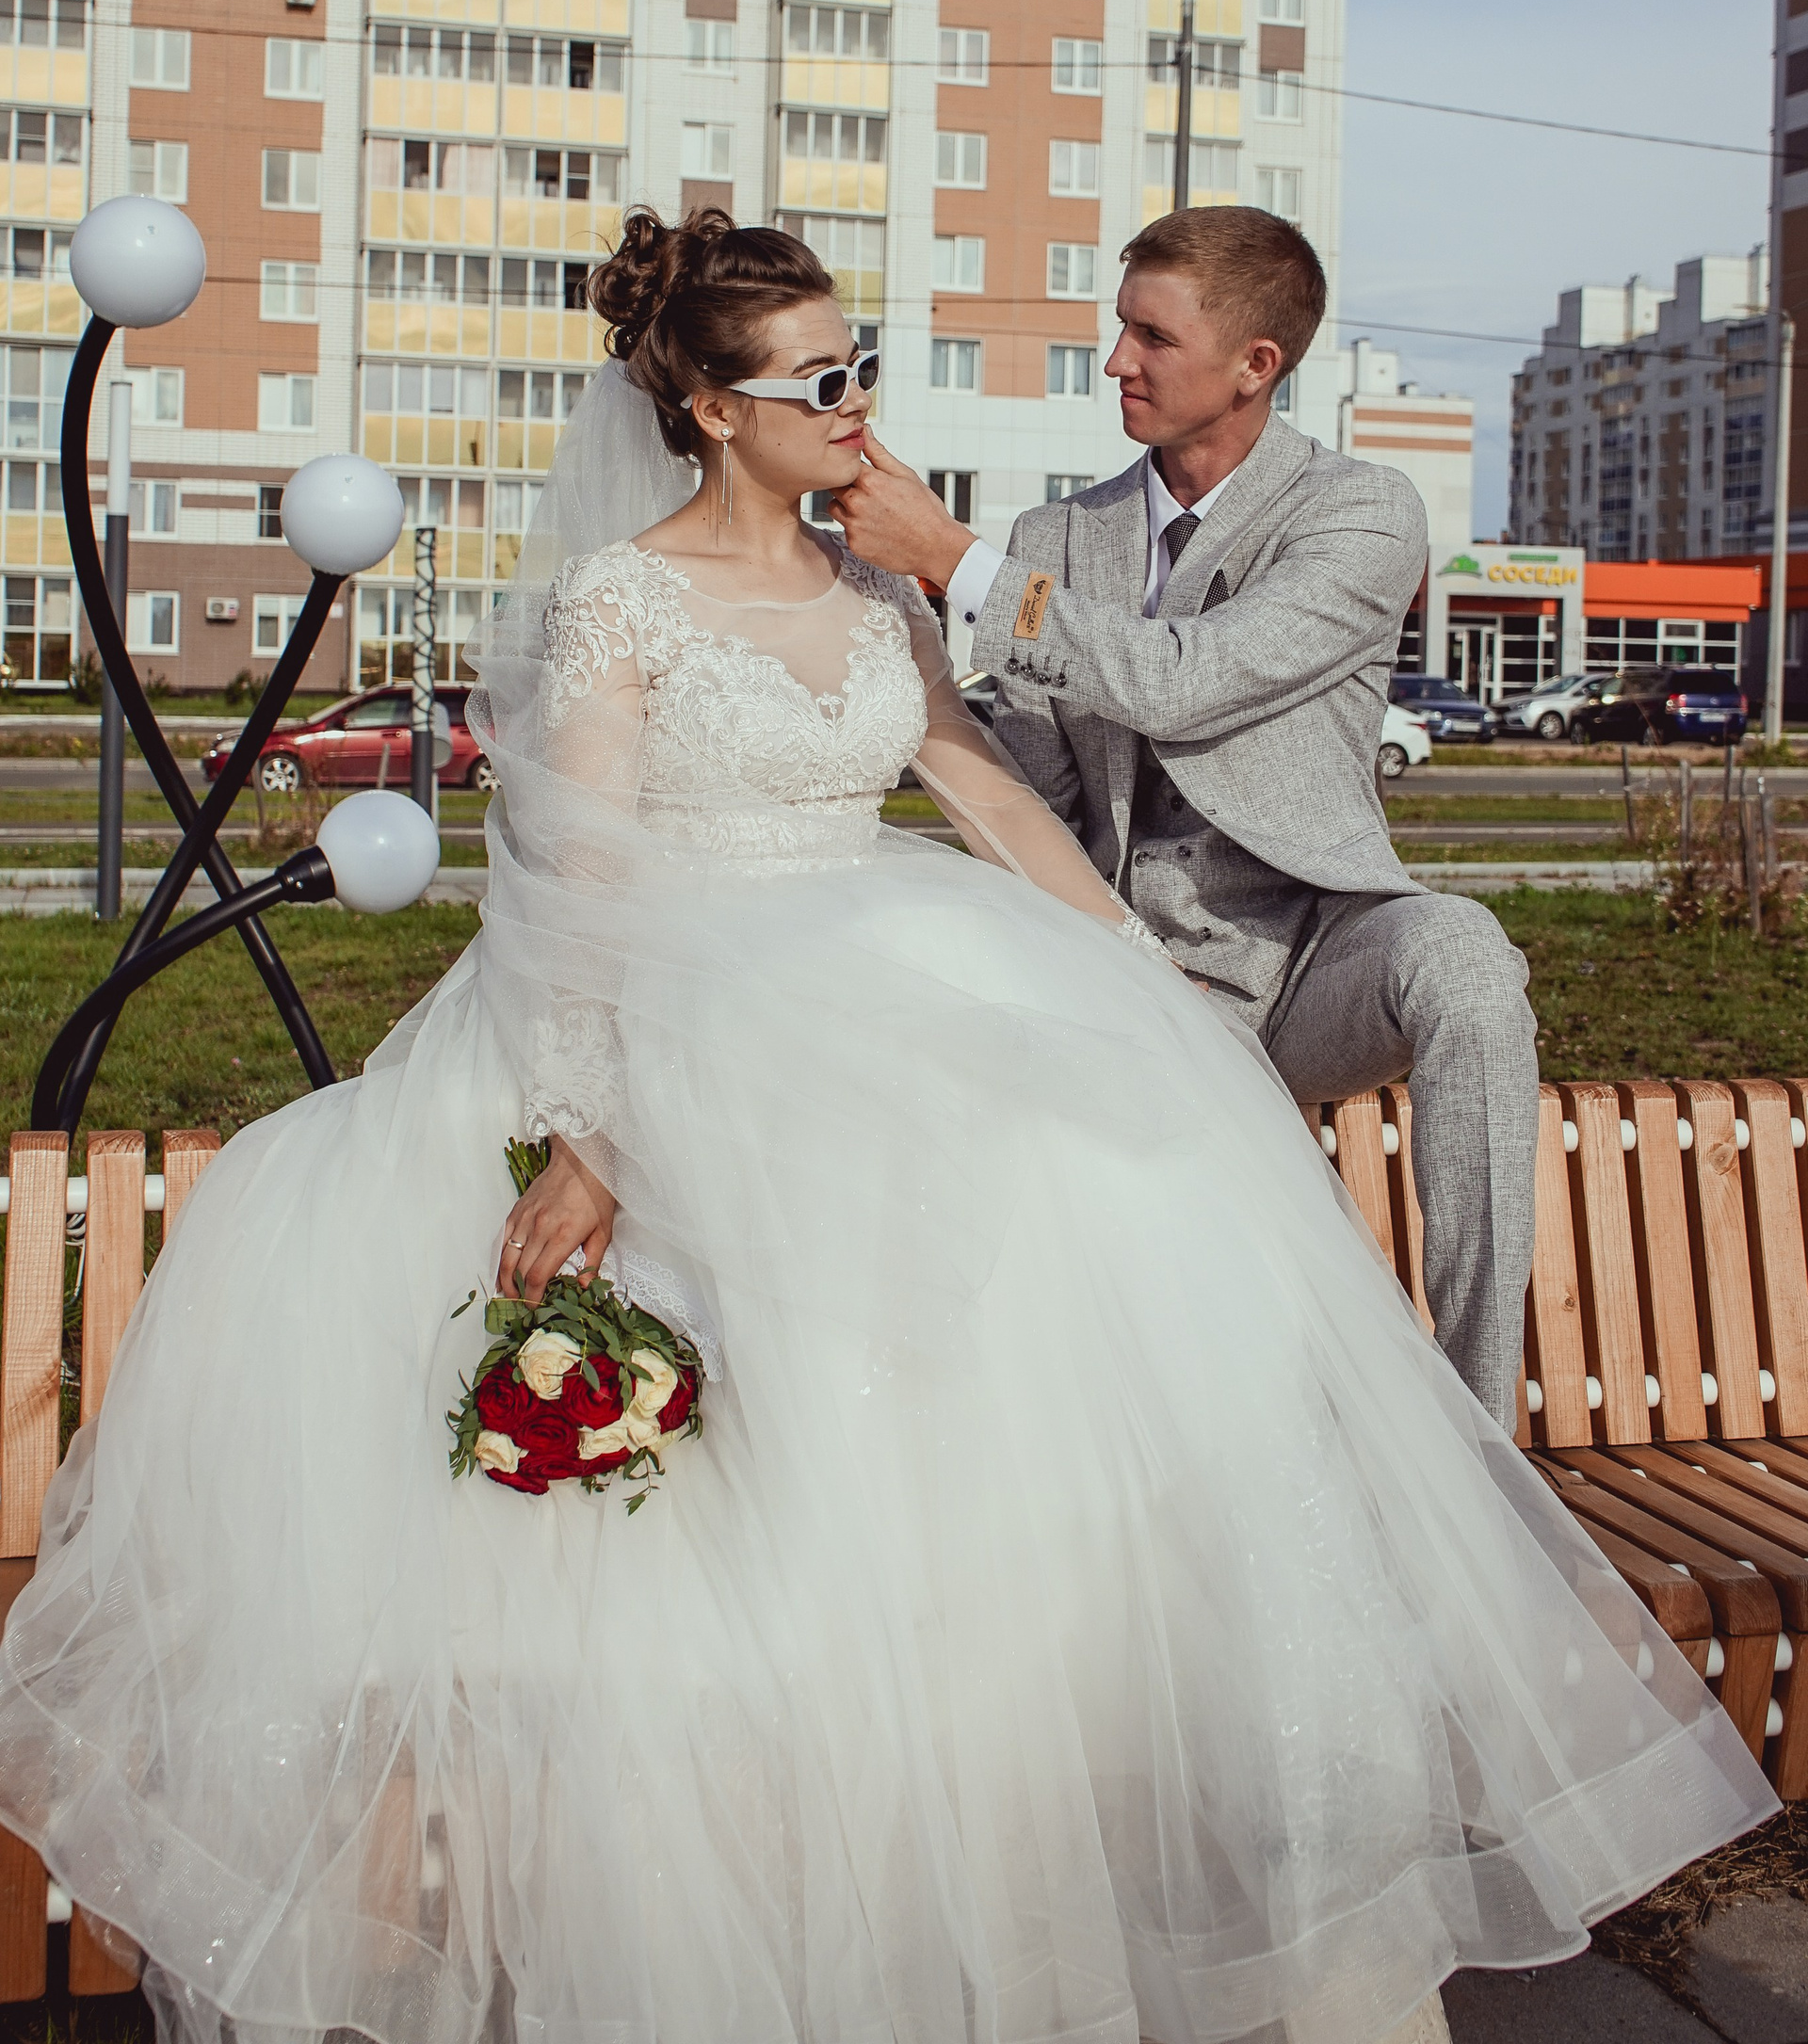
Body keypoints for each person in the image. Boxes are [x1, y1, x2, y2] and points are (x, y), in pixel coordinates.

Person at [0, 208, 1771, 2044]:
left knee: (1099, 1200)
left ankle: (1086, 1817)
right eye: (816, 379)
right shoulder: (622, 602)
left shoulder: (881, 602)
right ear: (710, 408)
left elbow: (988, 795)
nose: (856, 402)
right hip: (688, 1000)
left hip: (884, 967)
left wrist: (1141, 991)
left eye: (859, 367)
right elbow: (576, 880)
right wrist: (598, 1131)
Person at [831, 205, 1539, 1433]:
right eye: (1121, 329)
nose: (1116, 361)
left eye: (1152, 337)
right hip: (1127, 973)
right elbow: (1038, 793)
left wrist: (954, 556)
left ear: (1256, 364)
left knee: (1468, 960)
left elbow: (1187, 679)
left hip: (1313, 960)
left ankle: (1482, 1436)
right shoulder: (1057, 539)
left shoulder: (1362, 513)